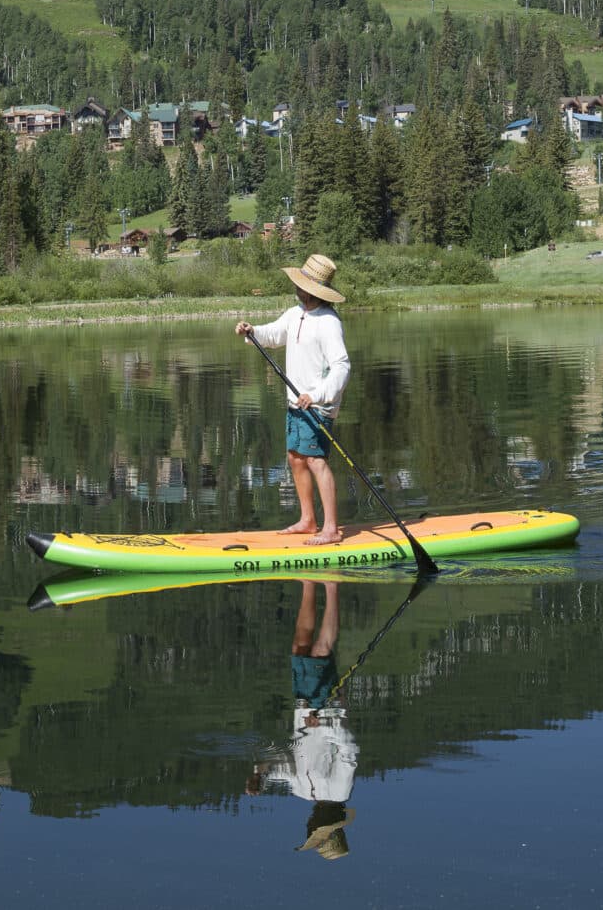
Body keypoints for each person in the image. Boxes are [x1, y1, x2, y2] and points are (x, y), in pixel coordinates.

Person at [234, 253, 350, 544]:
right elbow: (273, 334)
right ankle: (309, 520)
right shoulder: (295, 313)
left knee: (315, 460)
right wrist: (253, 331)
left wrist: (318, 394)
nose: (296, 287)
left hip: (318, 406)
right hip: (295, 404)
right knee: (296, 459)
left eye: (300, 284)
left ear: (313, 289)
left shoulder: (328, 322)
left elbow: (342, 366)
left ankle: (331, 529)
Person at [248, 580, 359, 860]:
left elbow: (284, 769)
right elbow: (349, 752)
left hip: (302, 708)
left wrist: (260, 778)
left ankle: (308, 584)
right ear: (325, 826)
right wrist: (323, 723)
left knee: (299, 646)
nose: (308, 825)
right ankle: (332, 587)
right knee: (321, 651)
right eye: (314, 830)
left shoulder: (301, 793)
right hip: (326, 709)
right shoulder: (339, 791)